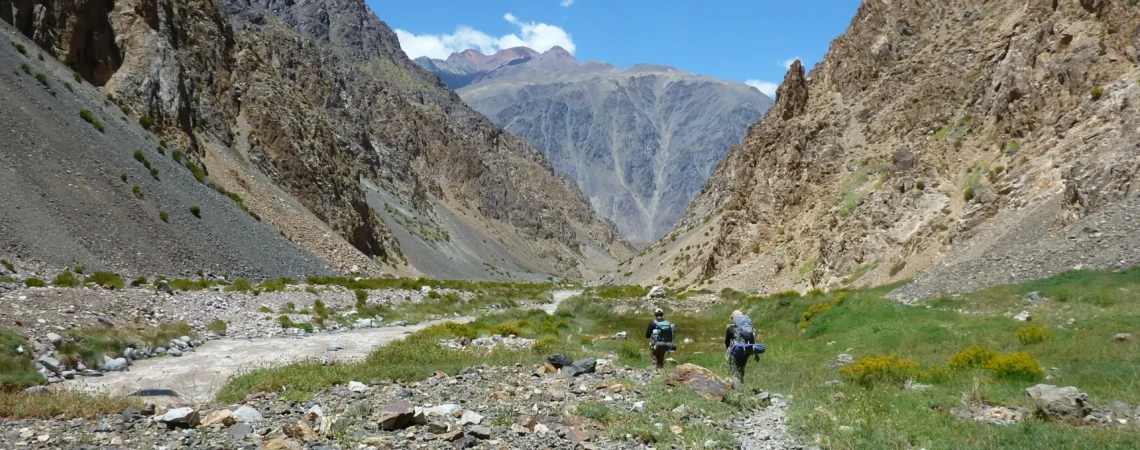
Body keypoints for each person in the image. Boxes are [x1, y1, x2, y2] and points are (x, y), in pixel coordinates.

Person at [725, 310, 760, 388]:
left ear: (734, 319)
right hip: (747, 352)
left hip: (735, 352)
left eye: (732, 318)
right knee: (742, 369)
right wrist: (756, 354)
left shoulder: (730, 328)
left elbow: (727, 341)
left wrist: (728, 351)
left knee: (734, 371)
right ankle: (742, 385)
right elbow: (754, 340)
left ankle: (737, 390)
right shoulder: (750, 328)